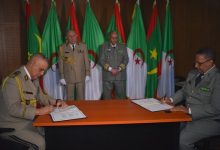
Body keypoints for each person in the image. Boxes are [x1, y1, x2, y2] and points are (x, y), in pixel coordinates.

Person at [0, 54, 67, 150]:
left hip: (27, 122)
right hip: (11, 126)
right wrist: (39, 111)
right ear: (32, 64)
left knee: (51, 134)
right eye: (41, 69)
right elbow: (13, 109)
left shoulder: (33, 78)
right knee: (40, 144)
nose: (42, 73)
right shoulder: (13, 80)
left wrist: (57, 101)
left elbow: (41, 96)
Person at [161, 48, 220, 150]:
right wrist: (170, 100)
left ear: (210, 62)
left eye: (199, 63)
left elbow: (215, 108)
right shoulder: (193, 73)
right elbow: (184, 91)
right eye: (195, 63)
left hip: (210, 120)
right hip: (187, 116)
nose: (196, 66)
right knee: (168, 132)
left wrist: (188, 110)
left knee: (182, 140)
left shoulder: (217, 79)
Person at [58, 30, 90, 100]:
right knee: (70, 99)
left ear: (77, 36)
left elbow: (86, 61)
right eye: (70, 36)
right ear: (67, 38)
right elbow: (61, 63)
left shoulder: (83, 46)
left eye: (74, 36)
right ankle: (71, 111)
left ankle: (81, 110)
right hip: (68, 77)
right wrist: (61, 76)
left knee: (81, 98)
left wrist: (88, 73)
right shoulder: (62, 47)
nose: (72, 38)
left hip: (80, 76)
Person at [98, 31, 128, 99]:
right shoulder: (103, 47)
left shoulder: (123, 47)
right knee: (107, 98)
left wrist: (119, 69)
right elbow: (101, 60)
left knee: (121, 99)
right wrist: (111, 69)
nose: (114, 39)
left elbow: (126, 59)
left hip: (120, 76)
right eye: (112, 38)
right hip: (108, 76)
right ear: (109, 38)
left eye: (116, 38)